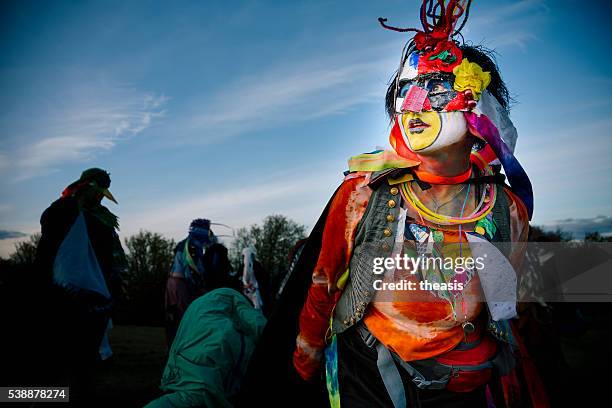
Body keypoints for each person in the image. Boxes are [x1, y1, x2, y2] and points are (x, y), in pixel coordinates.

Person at [242, 1, 548, 407]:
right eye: (406, 92)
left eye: (437, 89)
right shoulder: (363, 195)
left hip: (466, 388)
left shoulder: (506, 209)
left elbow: (509, 303)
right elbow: (323, 285)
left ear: (479, 107)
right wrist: (304, 365)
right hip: (371, 378)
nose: (415, 105)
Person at [34, 167, 126, 402]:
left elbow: (112, 252)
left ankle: (78, 396)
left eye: (103, 194)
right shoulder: (64, 209)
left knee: (85, 359)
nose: (99, 197)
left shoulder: (102, 216)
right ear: (86, 187)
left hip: (97, 290)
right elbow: (49, 239)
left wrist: (114, 281)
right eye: (97, 192)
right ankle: (41, 397)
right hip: (65, 290)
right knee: (58, 355)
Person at [146, 248, 264, 408]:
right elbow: (258, 324)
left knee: (185, 393)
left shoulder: (201, 303)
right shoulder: (235, 298)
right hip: (206, 369)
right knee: (196, 395)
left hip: (178, 364)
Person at [165, 218, 217, 346]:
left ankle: (176, 344)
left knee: (173, 315)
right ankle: (185, 345)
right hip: (180, 284)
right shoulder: (192, 247)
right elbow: (192, 271)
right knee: (185, 315)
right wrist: (201, 286)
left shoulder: (185, 243)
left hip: (172, 283)